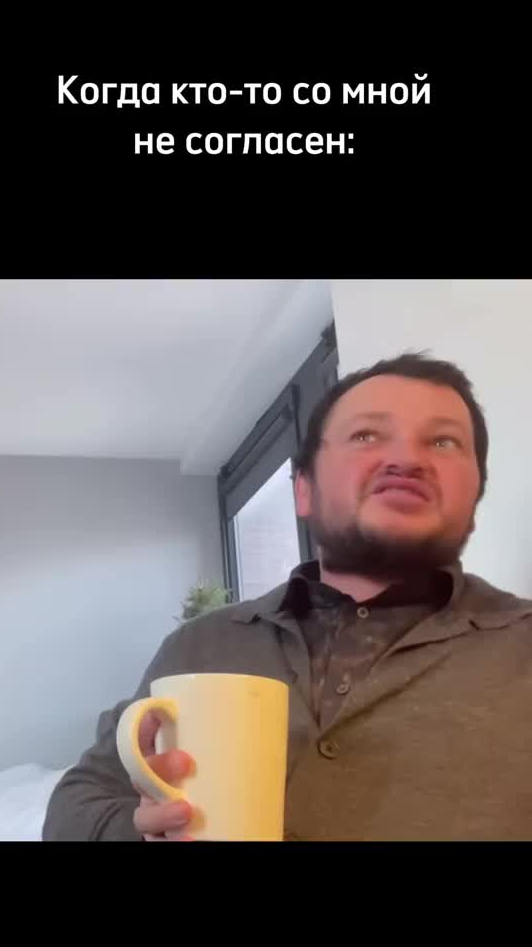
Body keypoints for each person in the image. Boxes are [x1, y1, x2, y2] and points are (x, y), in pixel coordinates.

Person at [43, 352, 531, 841]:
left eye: (443, 441)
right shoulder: (199, 645)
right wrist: (137, 830)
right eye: (366, 435)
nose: (406, 460)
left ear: (474, 502)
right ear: (304, 490)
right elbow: (75, 805)